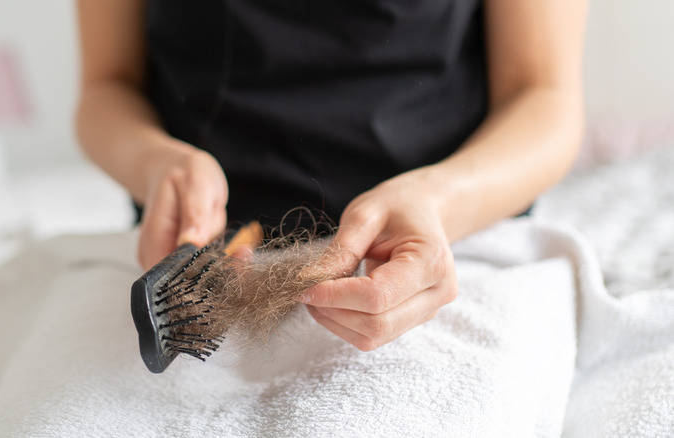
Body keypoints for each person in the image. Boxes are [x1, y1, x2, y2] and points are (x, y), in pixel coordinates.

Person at [75, 1, 588, 352]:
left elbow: (544, 97)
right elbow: (106, 86)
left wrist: (437, 200)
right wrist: (155, 163)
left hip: (445, 250)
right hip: (186, 270)